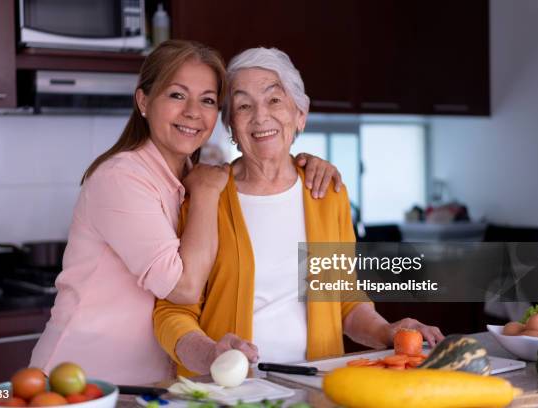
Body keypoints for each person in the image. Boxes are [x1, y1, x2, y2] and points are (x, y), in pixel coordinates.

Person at [29, 40, 344, 385]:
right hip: (83, 377)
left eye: (207, 100)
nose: (193, 111)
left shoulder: (189, 179)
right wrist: (208, 192)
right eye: (177, 95)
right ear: (144, 101)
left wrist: (308, 164)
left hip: (153, 383)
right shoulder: (123, 178)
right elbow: (183, 289)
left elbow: (343, 292)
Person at [153, 47, 445, 376]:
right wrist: (209, 354)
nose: (260, 116)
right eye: (243, 105)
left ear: (300, 115)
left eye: (274, 100)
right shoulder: (206, 197)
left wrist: (386, 332)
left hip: (313, 386)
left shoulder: (327, 193)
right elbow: (172, 312)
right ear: (231, 126)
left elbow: (344, 300)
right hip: (231, 392)